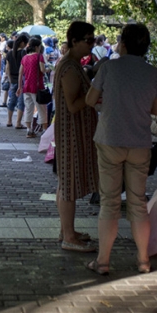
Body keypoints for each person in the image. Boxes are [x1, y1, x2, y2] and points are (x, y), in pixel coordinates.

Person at [85, 24, 157, 275]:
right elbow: (156, 110)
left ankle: (103, 261)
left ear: (124, 43)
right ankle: (143, 261)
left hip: (110, 139)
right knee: (138, 203)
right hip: (139, 142)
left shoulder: (109, 67)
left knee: (109, 202)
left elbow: (89, 100)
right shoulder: (152, 73)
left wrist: (107, 103)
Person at [53, 22, 99, 252]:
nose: (92, 44)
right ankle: (69, 236)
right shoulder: (70, 67)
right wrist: (93, 97)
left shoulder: (72, 64)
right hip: (72, 133)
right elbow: (73, 105)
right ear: (74, 41)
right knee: (69, 183)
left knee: (66, 182)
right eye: (88, 40)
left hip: (73, 132)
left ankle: (67, 230)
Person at [17, 38, 47, 139]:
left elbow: (20, 73)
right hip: (37, 87)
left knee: (28, 109)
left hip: (26, 87)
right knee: (41, 109)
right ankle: (44, 131)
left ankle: (29, 130)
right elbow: (42, 70)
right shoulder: (39, 56)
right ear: (36, 47)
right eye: (39, 47)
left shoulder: (25, 58)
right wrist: (49, 69)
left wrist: (19, 87)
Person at [5, 33, 28, 128]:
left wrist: (10, 80)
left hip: (13, 80)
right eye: (26, 43)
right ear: (22, 43)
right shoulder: (23, 53)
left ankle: (9, 121)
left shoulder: (9, 53)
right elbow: (25, 67)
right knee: (21, 102)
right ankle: (18, 123)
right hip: (21, 80)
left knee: (12, 101)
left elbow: (7, 69)